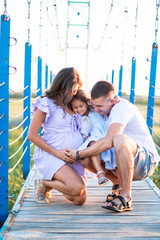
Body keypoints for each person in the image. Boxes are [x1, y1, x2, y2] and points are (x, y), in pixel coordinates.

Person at [66, 80, 160, 212]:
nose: (96, 108)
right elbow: (81, 105)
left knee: (119, 139)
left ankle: (126, 197)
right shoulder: (102, 110)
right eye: (93, 105)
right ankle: (118, 185)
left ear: (112, 101)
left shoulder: (121, 108)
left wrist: (77, 154)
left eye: (99, 106)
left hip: (145, 161)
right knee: (86, 157)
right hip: (125, 161)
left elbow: (109, 140)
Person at [27, 67, 87, 206]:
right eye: (71, 91)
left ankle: (49, 182)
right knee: (77, 188)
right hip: (52, 154)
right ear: (61, 86)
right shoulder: (46, 103)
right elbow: (32, 135)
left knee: (80, 199)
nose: (73, 94)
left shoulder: (74, 103)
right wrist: (58, 154)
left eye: (76, 91)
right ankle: (43, 182)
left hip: (72, 156)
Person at [70, 89, 109, 186]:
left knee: (92, 143)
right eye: (75, 107)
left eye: (81, 106)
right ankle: (100, 173)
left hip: (104, 135)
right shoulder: (78, 118)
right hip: (92, 139)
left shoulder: (95, 110)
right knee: (91, 143)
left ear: (86, 104)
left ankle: (102, 174)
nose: (79, 109)